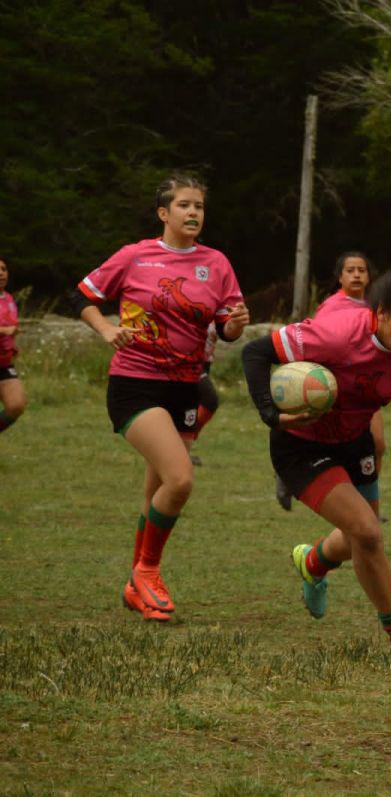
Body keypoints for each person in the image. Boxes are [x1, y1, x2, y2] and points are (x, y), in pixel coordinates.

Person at [241, 265, 391, 667]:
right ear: (381, 312)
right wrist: (271, 413)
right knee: (369, 535)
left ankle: (313, 562)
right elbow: (256, 353)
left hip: (355, 444)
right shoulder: (337, 334)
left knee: (359, 541)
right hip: (302, 447)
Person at [73, 174, 249, 622]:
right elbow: (85, 296)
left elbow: (227, 327)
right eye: (184, 205)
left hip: (185, 387)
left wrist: (237, 325)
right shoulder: (136, 256)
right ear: (163, 213)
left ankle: (136, 584)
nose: (193, 213)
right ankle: (148, 571)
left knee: (156, 491)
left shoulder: (217, 263)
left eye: (200, 206)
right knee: (181, 479)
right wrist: (107, 328)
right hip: (135, 382)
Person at [274, 251, 384, 511]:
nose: (356, 274)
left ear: (369, 276)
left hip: (364, 387)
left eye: (361, 270)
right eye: (350, 270)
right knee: (328, 441)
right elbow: (318, 347)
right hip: (335, 388)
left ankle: (367, 506)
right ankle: (288, 475)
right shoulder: (332, 306)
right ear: (340, 277)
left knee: (377, 443)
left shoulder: (374, 305)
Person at [186, 322, 221, 466]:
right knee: (210, 400)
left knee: (189, 407)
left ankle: (182, 450)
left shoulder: (220, 305)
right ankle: (177, 447)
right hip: (189, 362)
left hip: (205, 363)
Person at [0, 257, 27, 435]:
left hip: (3, 362)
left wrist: (12, 345)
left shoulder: (9, 298)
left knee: (16, 405)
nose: (1, 273)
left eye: (3, 269)